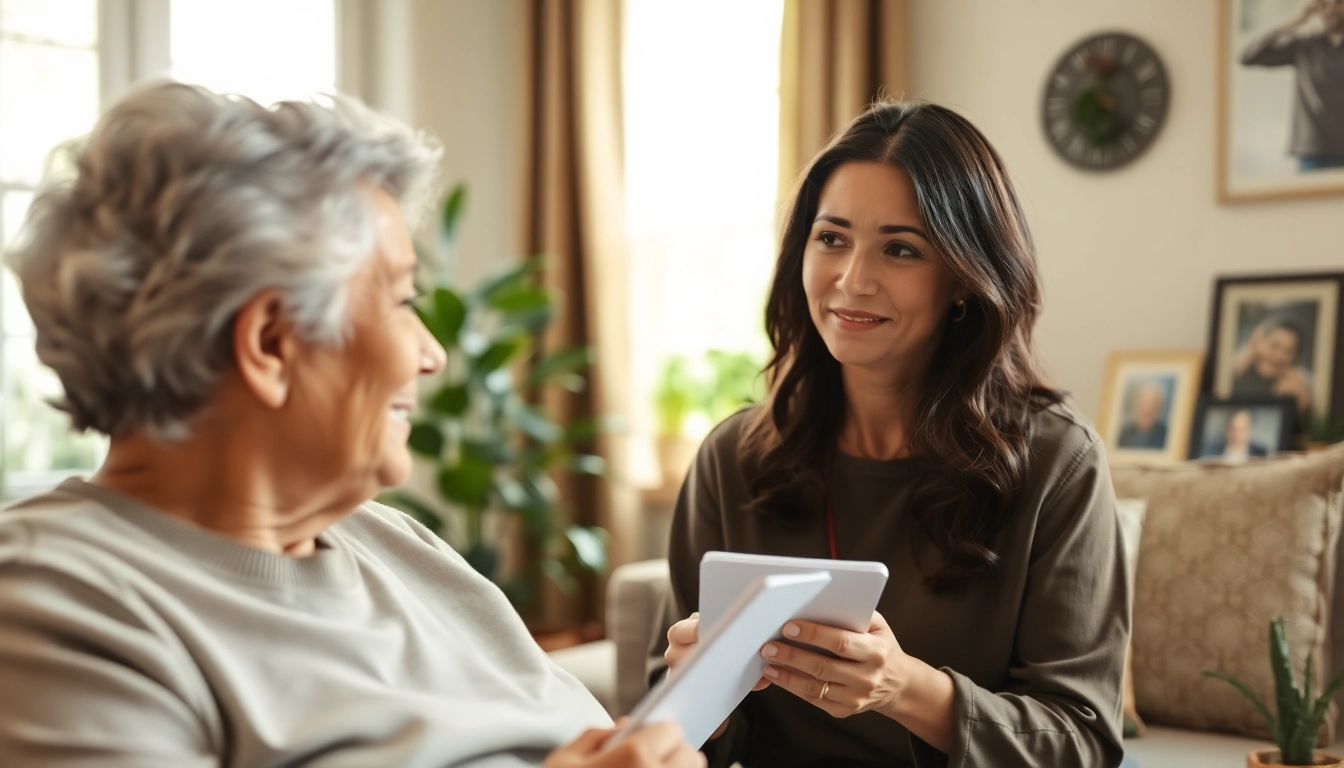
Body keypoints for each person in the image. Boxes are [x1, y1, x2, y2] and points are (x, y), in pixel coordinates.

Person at [0, 82, 704, 768]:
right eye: (401, 300)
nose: (431, 353)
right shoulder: (57, 606)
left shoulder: (394, 542)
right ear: (271, 344)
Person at [650, 101, 1127, 768]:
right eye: (832, 238)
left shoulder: (1056, 462)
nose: (852, 280)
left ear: (963, 277)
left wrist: (905, 689)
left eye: (900, 249)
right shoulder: (734, 458)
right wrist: (699, 692)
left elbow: (1082, 741)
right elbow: (665, 723)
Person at [1240, 0, 1344, 172]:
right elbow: (1247, 56)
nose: (1331, 10)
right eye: (1324, 4)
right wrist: (1296, 21)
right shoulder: (1304, 46)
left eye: (1339, 2)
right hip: (1312, 152)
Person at [1231, 316, 1313, 416]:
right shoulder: (1238, 364)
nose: (1278, 356)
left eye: (1288, 351)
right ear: (1259, 342)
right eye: (1274, 345)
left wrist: (1304, 404)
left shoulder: (1301, 381)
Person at [1116, 381, 1169, 450]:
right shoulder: (1124, 434)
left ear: (1160, 408)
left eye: (1154, 404)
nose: (1148, 409)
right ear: (1136, 404)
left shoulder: (1166, 436)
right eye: (1144, 402)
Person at [1202, 409, 1271, 462]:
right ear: (1227, 429)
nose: (1238, 434)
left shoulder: (1261, 454)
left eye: (1243, 429)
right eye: (1233, 429)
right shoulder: (1212, 452)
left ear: (1250, 430)